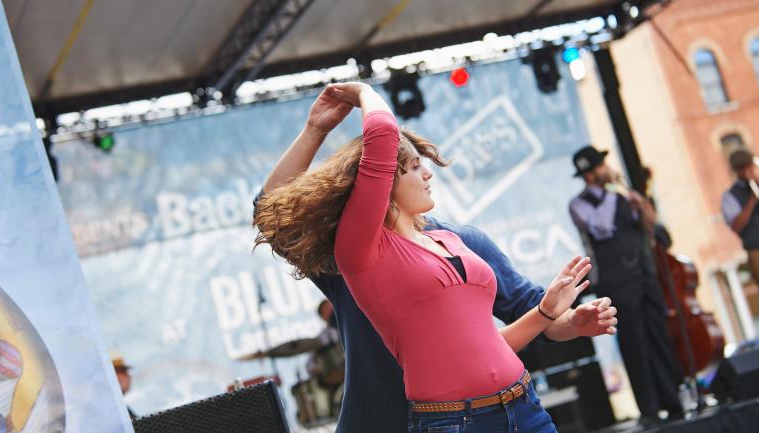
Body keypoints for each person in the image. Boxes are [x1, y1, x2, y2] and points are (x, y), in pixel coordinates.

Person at [255, 83, 617, 433]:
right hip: (389, 420)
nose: (429, 172)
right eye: (412, 166)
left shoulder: (460, 242)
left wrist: (569, 319)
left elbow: (523, 318)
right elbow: (272, 211)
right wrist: (316, 128)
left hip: (515, 406)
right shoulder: (351, 252)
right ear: (378, 181)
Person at [568, 145, 683, 423]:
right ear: (592, 173)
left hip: (644, 275)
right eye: (602, 167)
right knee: (634, 343)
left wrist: (640, 205)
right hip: (616, 282)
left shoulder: (621, 198)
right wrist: (615, 191)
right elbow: (602, 227)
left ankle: (674, 401)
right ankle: (650, 409)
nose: (608, 170)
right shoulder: (580, 204)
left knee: (659, 337)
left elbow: (651, 228)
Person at [721, 149, 759, 283]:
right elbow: (736, 226)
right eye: (742, 168)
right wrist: (752, 200)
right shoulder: (730, 195)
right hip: (756, 247)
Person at [111, 354, 137, 419]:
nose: (128, 376)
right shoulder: (109, 409)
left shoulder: (120, 407)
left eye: (124, 372)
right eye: (122, 372)